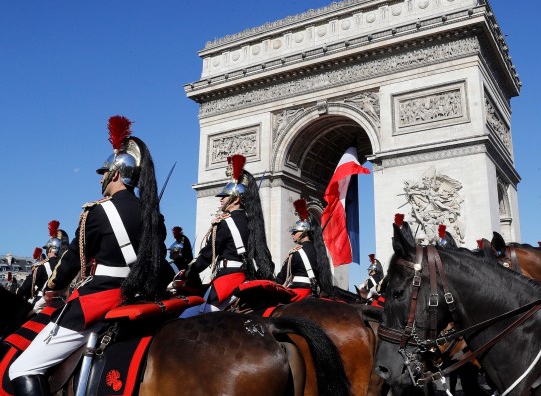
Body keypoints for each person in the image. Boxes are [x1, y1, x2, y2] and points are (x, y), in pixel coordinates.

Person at [9, 115, 170, 395]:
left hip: (103, 298)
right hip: (145, 294)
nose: (101, 178)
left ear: (115, 174)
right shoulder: (153, 214)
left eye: (103, 172)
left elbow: (72, 260)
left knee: (21, 369)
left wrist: (53, 289)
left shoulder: (97, 212)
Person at [181, 154, 274, 316]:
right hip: (244, 276)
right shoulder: (251, 223)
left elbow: (207, 255)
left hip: (228, 278)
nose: (221, 199)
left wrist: (190, 271)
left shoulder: (224, 223)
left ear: (236, 199)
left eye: (224, 196)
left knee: (187, 317)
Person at [275, 199, 334, 300]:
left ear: (304, 232)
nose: (292, 234)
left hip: (298, 293)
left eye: (295, 231)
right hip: (313, 294)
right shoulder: (319, 252)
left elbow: (281, 278)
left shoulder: (296, 253)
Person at [16, 221, 68, 311]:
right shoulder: (66, 264)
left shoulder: (43, 266)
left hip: (43, 304)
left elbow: (25, 287)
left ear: (50, 248)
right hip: (62, 304)